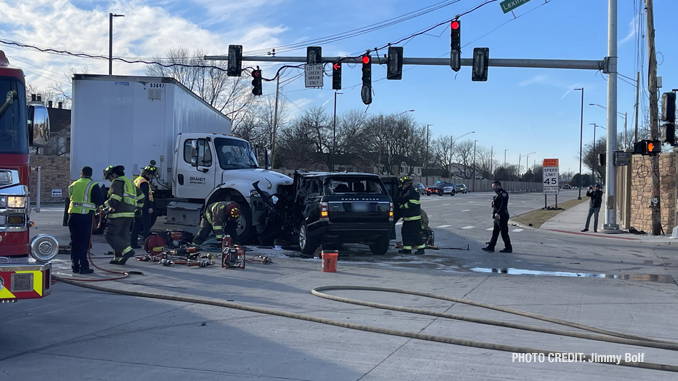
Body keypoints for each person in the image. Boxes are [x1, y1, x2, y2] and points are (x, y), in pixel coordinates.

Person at [102, 165, 143, 265]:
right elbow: (141, 197)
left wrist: (102, 206)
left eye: (109, 177)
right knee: (121, 236)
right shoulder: (130, 183)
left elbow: (116, 199)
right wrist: (138, 208)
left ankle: (127, 251)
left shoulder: (117, 182)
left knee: (110, 235)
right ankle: (118, 257)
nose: (109, 180)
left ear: (114, 174)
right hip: (129, 215)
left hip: (118, 215)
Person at [67, 166, 104, 274]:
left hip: (73, 216)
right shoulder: (93, 185)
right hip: (85, 217)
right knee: (83, 242)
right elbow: (99, 201)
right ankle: (84, 267)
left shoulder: (73, 185)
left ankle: (75, 265)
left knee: (74, 241)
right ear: (91, 174)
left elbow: (71, 198)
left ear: (81, 173)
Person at [395, 176, 425, 255]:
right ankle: (407, 249)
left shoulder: (412, 191)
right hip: (407, 218)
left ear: (407, 184)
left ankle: (421, 249)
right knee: (405, 233)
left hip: (414, 218)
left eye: (403, 184)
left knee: (415, 234)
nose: (402, 186)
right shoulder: (404, 191)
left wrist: (403, 206)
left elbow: (414, 202)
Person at [482, 180, 513, 253]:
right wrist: (494, 213)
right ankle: (491, 247)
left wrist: (498, 213)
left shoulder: (503, 194)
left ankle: (508, 247)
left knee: (504, 232)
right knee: (495, 232)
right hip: (497, 216)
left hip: (502, 215)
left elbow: (503, 205)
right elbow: (495, 207)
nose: (493, 189)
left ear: (497, 186)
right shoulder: (497, 195)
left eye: (494, 187)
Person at [131, 164, 157, 248]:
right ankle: (147, 244)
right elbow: (145, 196)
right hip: (144, 207)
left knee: (136, 226)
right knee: (146, 225)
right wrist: (149, 207)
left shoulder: (138, 180)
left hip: (137, 206)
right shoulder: (144, 183)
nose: (152, 177)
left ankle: (133, 243)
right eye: (151, 175)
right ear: (147, 174)